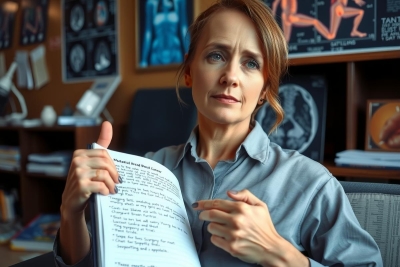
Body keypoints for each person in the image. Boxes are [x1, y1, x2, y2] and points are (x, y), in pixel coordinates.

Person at [55, 0, 383, 266]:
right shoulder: (147, 171)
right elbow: (90, 261)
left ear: (266, 87)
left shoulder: (311, 184)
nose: (230, 76)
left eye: (251, 64)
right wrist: (72, 214)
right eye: (216, 56)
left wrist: (281, 255)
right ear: (188, 71)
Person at [139, 0, 189, 68]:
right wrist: (143, 59)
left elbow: (184, 29)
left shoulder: (179, 2)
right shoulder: (151, 4)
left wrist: (190, 54)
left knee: (178, 77)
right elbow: (148, 32)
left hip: (175, 52)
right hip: (157, 53)